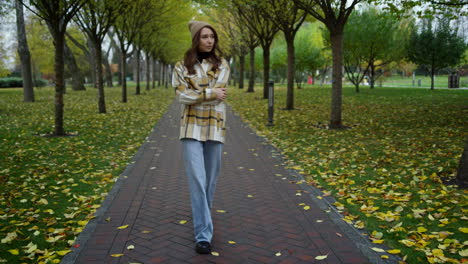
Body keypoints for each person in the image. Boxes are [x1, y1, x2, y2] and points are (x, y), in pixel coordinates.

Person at [171, 20, 230, 254]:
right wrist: (208, 91)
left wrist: (197, 91)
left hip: (215, 126)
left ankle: (202, 216)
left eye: (212, 37)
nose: (209, 40)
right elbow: (181, 96)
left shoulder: (222, 64)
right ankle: (203, 234)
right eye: (205, 36)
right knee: (197, 178)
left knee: (210, 180)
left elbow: (220, 95)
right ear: (196, 39)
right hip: (190, 127)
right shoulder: (180, 66)